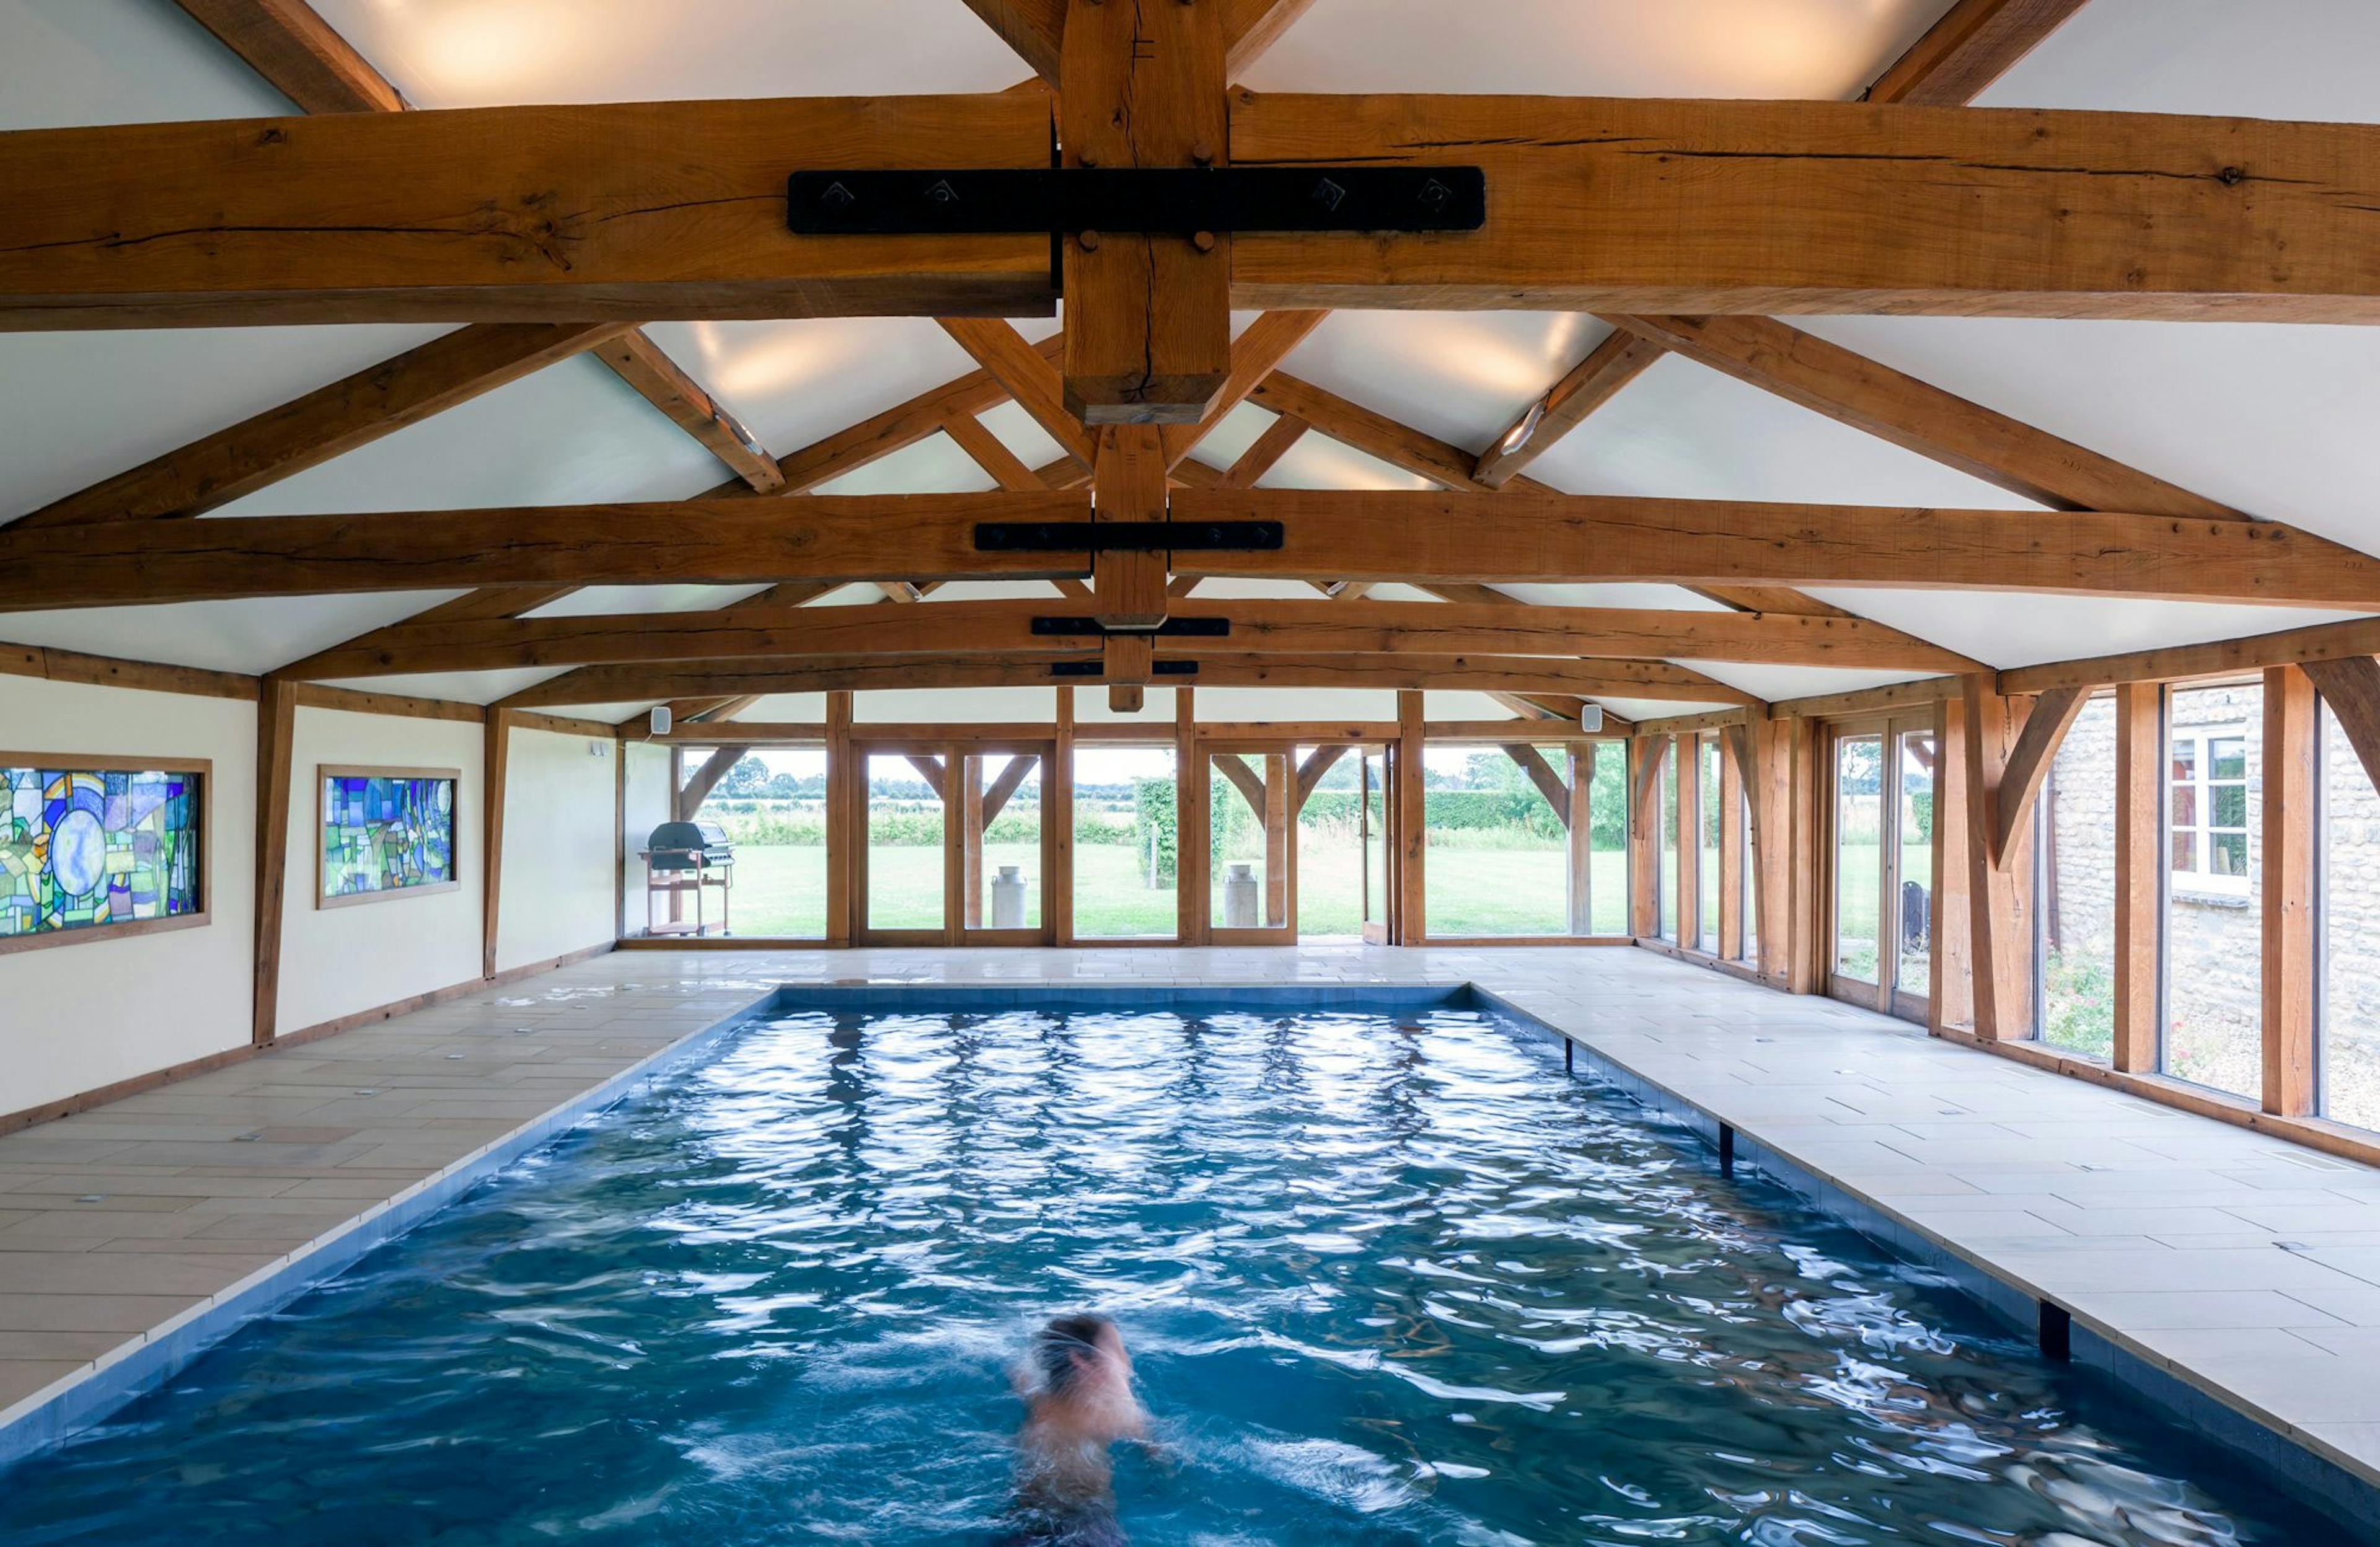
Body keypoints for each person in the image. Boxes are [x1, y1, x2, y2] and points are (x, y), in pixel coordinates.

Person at [1005, 1314, 1155, 1546]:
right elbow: (1157, 1454)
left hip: (1025, 1515)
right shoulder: (1113, 1415)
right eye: (1116, 1350)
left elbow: (1017, 1375)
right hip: (1087, 1523)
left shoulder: (1038, 1400)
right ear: (1081, 1360)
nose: (1126, 1360)